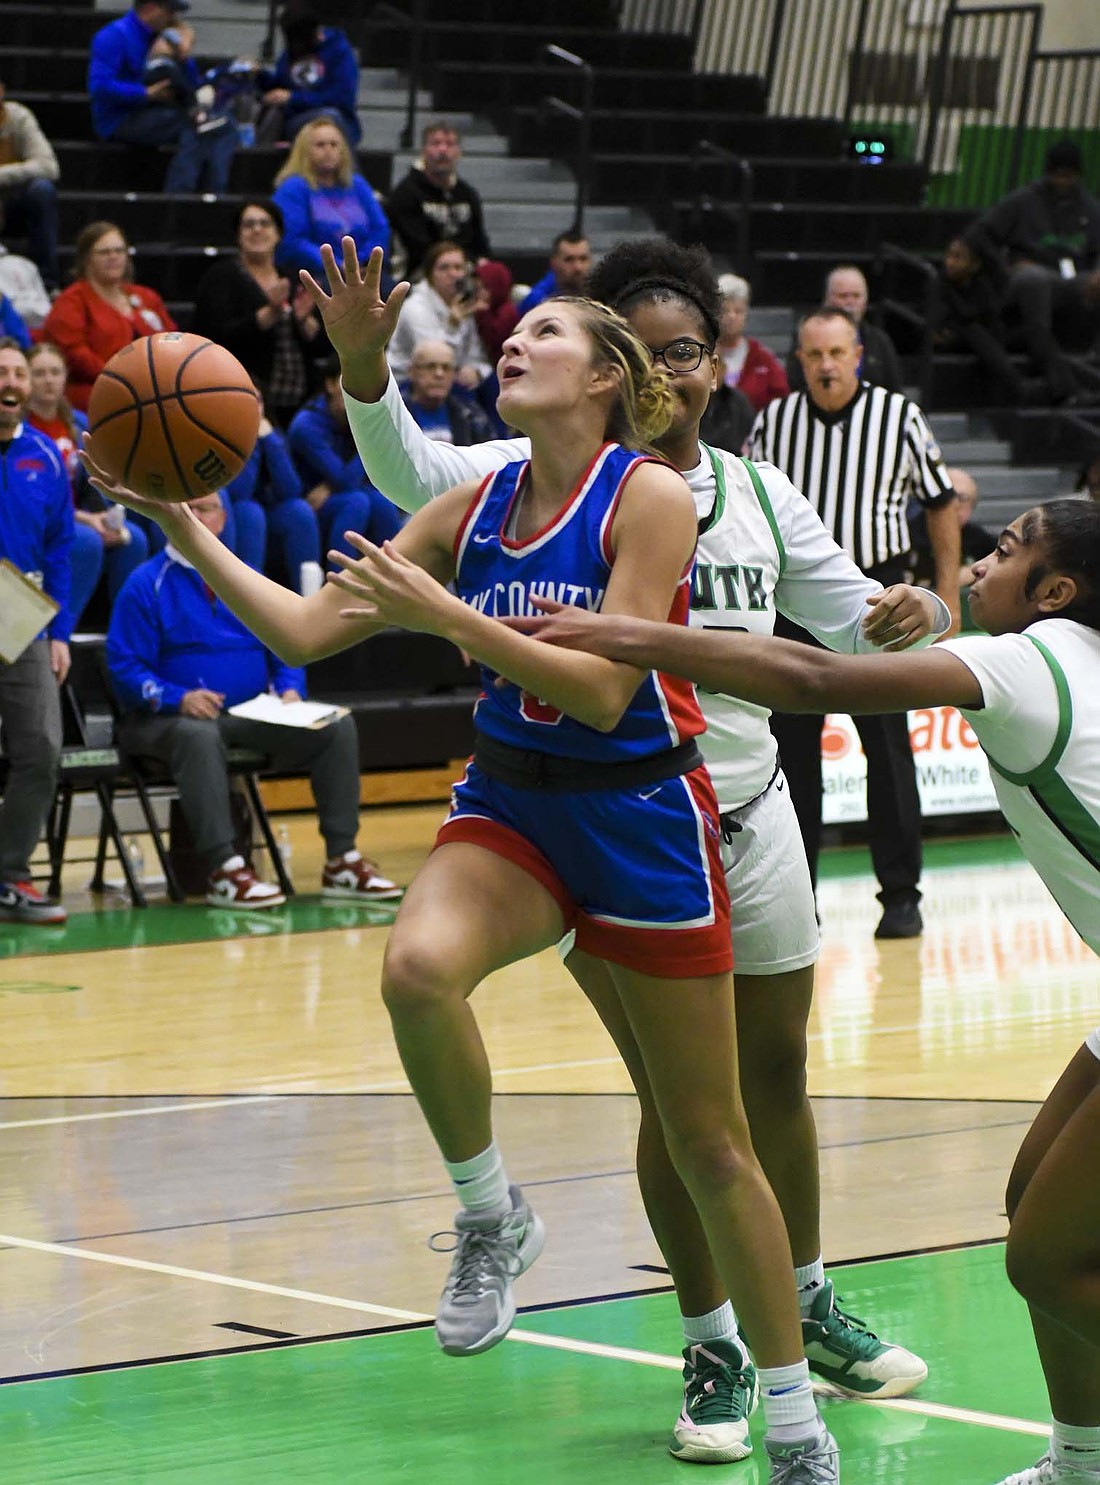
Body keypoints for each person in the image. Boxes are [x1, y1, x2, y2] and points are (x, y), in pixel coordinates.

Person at [86, 260, 843, 1485]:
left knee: (709, 1143)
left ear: (604, 377)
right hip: (513, 805)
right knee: (416, 969)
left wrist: (446, 617)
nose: (511, 341)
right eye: (513, 327)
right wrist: (179, 523)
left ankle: (797, 1425)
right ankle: (491, 1214)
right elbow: (300, 630)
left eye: (542, 331)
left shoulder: (647, 499)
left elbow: (603, 694)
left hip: (639, 811)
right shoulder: (475, 502)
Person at [303, 238, 936, 1463]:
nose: (672, 369)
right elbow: (408, 475)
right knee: (682, 1111)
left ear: (708, 361)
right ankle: (716, 1345)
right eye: (645, 344)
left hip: (753, 817)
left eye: (687, 347)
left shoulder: (757, 494)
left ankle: (797, 1305)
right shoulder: (536, 468)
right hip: (635, 805)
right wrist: (366, 376)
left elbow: (859, 617)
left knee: (774, 1094)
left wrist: (935, 609)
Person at [510, 495, 1100, 1485]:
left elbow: (814, 675)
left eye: (1001, 553)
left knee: (1042, 1258)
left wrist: (631, 634)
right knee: (1027, 1200)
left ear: (1052, 592)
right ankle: (1078, 1463)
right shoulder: (1072, 655)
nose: (971, 569)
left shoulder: (1027, 661)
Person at [752, 305, 961, 938]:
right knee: (790, 758)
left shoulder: (899, 417)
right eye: (814, 355)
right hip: (791, 605)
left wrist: (944, 589)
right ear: (799, 360)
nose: (825, 365)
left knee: (889, 752)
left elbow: (942, 504)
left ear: (858, 355)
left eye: (837, 353)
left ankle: (901, 896)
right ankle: (798, 893)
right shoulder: (773, 421)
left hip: (880, 598)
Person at [104, 489, 399, 909]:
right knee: (197, 736)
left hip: (247, 713)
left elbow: (288, 641)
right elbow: (124, 668)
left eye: (205, 509)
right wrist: (179, 697)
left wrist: (290, 685)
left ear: (223, 520)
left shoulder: (245, 580)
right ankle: (225, 868)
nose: (196, 519)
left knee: (336, 727)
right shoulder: (144, 583)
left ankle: (342, 860)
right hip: (164, 720)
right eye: (186, 510)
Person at [0, 338, 73, 926]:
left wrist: (60, 631)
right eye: (1, 372)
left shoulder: (46, 455)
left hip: (22, 611)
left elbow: (61, 550)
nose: (12, 382)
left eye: (19, 373)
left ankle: (9, 875)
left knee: (42, 748)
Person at [967, 140, 1100, 407]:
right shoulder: (1024, 200)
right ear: (1049, 173)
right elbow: (979, 235)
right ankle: (1060, 381)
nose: (1063, 182)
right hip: (1026, 276)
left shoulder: (1089, 206)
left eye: (1069, 176)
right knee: (1035, 280)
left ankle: (1095, 362)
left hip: (1073, 279)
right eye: (1058, 175)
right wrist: (1003, 268)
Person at [25, 342, 148, 626]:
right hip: (42, 519)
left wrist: (105, 517)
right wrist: (87, 520)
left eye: (55, 372)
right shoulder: (19, 428)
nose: (48, 380)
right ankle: (62, 629)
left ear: (65, 377)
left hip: (82, 514)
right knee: (87, 541)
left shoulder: (77, 424)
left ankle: (122, 630)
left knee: (134, 538)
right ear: (27, 379)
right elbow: (28, 497)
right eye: (39, 373)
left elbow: (95, 479)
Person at [192, 199, 324, 430]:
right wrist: (266, 314)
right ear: (237, 234)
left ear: (278, 233)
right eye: (249, 224)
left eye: (265, 223)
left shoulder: (293, 277)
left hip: (298, 398)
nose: (257, 230)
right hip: (242, 395)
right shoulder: (221, 277)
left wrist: (306, 323)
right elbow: (212, 337)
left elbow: (320, 346)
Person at [87, 0, 237, 195]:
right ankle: (178, 198)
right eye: (169, 11)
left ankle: (214, 195)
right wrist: (145, 93)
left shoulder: (165, 38)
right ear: (151, 8)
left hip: (161, 111)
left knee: (222, 122)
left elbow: (192, 85)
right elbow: (99, 87)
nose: (173, 18)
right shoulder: (113, 36)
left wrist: (184, 57)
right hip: (122, 118)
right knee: (193, 125)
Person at [41, 221, 176, 413]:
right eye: (104, 252)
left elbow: (173, 340)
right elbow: (74, 354)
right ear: (86, 259)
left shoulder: (148, 297)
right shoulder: (71, 302)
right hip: (97, 394)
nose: (113, 257)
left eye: (119, 251)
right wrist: (120, 380)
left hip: (155, 390)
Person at [287, 355, 403, 558]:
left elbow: (387, 471)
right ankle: (340, 581)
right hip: (306, 505)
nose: (359, 391)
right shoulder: (307, 425)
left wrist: (330, 487)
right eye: (351, 381)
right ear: (331, 384)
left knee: (381, 499)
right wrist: (373, 437)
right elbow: (346, 480)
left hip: (337, 494)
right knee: (356, 501)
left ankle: (396, 574)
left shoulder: (360, 415)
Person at [272, 118, 390, 282]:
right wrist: (337, 265)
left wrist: (364, 261)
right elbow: (294, 241)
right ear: (304, 151)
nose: (328, 150)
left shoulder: (357, 184)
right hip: (315, 274)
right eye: (320, 145)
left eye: (334, 144)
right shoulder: (293, 188)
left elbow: (380, 229)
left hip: (363, 270)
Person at [224, 390, 320, 589]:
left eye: (258, 401)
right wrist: (250, 444)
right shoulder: (219, 434)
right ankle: (250, 599)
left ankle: (310, 596)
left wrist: (271, 443)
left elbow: (291, 490)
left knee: (299, 510)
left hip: (269, 515)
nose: (254, 408)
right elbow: (238, 493)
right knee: (249, 511)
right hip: (234, 518)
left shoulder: (270, 434)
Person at [931, 236, 1031, 405]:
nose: (950, 262)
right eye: (949, 256)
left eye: (958, 257)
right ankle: (1018, 384)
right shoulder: (937, 283)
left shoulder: (982, 286)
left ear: (974, 265)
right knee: (972, 329)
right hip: (950, 340)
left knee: (1025, 332)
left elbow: (992, 319)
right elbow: (946, 322)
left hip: (981, 340)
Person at [385, 121, 492, 278]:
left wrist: (479, 264)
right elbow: (418, 248)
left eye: (450, 144)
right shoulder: (406, 193)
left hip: (465, 271)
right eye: (436, 143)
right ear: (423, 150)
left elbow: (480, 243)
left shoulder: (468, 194)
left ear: (459, 152)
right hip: (421, 275)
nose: (443, 150)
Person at [388, 239, 491, 388]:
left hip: (450, 377)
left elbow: (474, 353)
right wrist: (453, 325)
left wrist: (477, 371)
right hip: (407, 382)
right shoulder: (414, 307)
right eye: (444, 268)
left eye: (458, 267)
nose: (453, 274)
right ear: (430, 275)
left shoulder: (463, 301)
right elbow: (433, 357)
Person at [787, 264, 904, 394]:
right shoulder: (808, 337)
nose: (850, 302)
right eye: (843, 296)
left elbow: (894, 390)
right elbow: (795, 383)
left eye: (856, 296)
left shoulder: (879, 341)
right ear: (827, 299)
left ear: (865, 300)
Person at [256, 2, 361, 147]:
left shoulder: (339, 51)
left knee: (329, 120)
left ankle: (349, 169)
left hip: (335, 118)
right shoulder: (291, 53)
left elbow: (342, 98)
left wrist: (293, 98)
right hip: (296, 121)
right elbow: (281, 86)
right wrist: (259, 74)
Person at [0, 80, 60, 293]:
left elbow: (48, 166)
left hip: (12, 207)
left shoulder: (18, 117)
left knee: (42, 190)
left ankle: (47, 283)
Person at [908, 465, 997, 594]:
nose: (953, 505)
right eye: (948, 497)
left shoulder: (977, 538)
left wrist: (975, 570)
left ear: (972, 506)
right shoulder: (907, 533)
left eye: (961, 498)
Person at [712, 273, 788, 412]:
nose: (731, 317)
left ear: (746, 314)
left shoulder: (763, 358)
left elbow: (781, 400)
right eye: (725, 310)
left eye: (738, 311)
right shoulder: (703, 354)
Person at [400, 339, 494, 445]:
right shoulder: (394, 415)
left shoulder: (472, 417)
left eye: (446, 368)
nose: (439, 374)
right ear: (412, 371)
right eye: (430, 367)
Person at [518, 231, 593, 315]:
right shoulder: (537, 302)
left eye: (583, 259)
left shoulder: (602, 296)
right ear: (554, 262)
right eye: (569, 259)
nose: (578, 267)